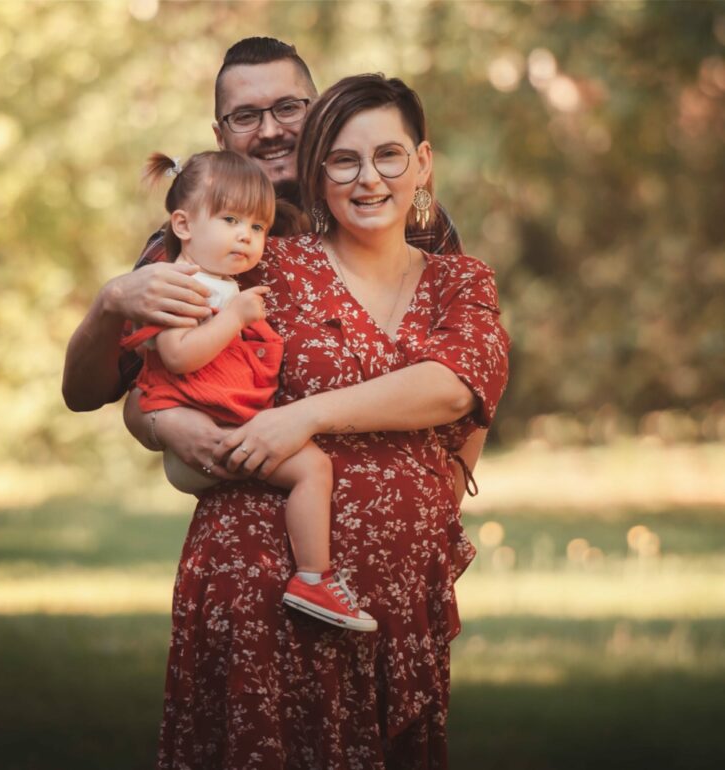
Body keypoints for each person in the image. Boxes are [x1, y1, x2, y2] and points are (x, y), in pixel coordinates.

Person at [124, 73, 510, 769]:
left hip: (396, 595)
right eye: (343, 159)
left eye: (389, 155)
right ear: (315, 170)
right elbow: (157, 376)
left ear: (422, 163)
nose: (369, 178)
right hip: (259, 589)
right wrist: (161, 424)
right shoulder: (261, 263)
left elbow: (459, 386)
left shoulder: (461, 280)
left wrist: (303, 419)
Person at [62, 35, 487, 499]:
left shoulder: (400, 214)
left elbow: (467, 369)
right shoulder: (203, 248)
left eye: (288, 107)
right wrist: (111, 305)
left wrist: (443, 501)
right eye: (245, 116)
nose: (269, 130)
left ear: (319, 115)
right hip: (260, 518)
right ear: (220, 137)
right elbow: (107, 391)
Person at [124, 149, 376, 633]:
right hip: (202, 431)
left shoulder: (216, 282)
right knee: (313, 468)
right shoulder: (178, 285)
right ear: (183, 225)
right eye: (230, 219)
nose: (246, 234)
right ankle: (314, 578)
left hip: (218, 422)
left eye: (258, 227)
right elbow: (176, 355)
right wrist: (235, 318)